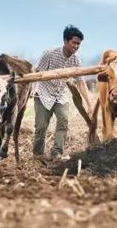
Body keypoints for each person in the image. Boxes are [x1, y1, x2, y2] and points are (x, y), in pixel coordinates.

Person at [33, 25, 93, 159]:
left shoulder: (76, 60)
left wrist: (89, 104)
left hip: (61, 95)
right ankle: (37, 154)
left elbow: (81, 82)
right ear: (65, 41)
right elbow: (36, 73)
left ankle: (57, 152)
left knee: (63, 122)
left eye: (79, 44)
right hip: (43, 94)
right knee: (41, 126)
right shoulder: (49, 54)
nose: (76, 46)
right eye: (74, 43)